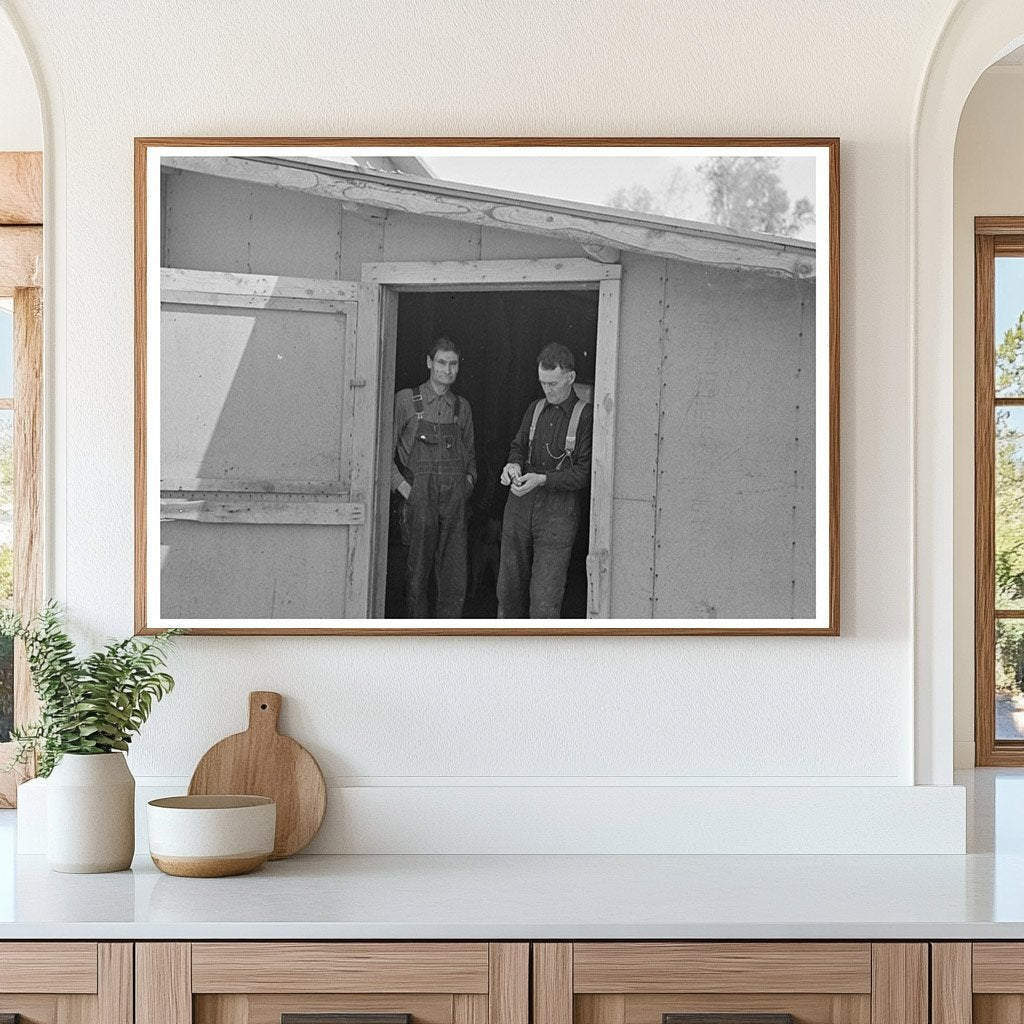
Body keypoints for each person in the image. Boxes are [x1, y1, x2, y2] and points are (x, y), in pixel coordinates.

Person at [496, 343, 593, 618]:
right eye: (543, 383)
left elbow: (584, 473)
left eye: (553, 383)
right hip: (519, 509)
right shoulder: (535, 409)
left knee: (544, 598)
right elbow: (517, 447)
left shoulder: (586, 416)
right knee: (508, 591)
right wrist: (512, 465)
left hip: (558, 516)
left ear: (571, 378)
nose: (547, 390)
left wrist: (542, 479)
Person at [392, 338, 476, 618]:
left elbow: (471, 459)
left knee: (454, 574)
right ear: (430, 363)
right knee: (416, 572)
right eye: (441, 362)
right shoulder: (406, 400)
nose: (447, 370)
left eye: (453, 364)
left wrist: (467, 485)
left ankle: (448, 639)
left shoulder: (461, 408)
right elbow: (381, 455)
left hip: (454, 502)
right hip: (419, 499)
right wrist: (406, 489)